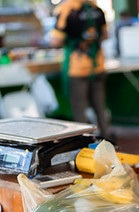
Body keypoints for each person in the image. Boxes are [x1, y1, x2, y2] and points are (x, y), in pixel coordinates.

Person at [49, 0, 112, 141]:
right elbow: (105, 35)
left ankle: (83, 142)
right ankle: (107, 139)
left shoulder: (66, 9)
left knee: (79, 109)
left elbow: (55, 41)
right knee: (100, 106)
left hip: (77, 67)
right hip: (98, 64)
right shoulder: (96, 9)